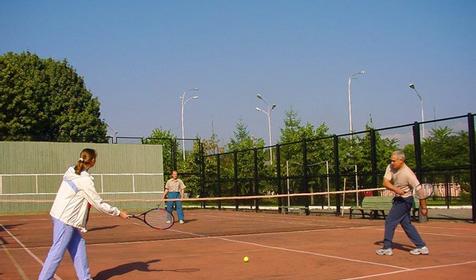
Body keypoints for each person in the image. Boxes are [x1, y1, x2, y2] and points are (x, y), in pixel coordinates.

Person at [39, 148, 129, 280]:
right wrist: (118, 212)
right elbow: (98, 203)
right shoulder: (85, 181)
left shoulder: (71, 170)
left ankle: (85, 278)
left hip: (63, 217)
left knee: (78, 245)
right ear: (92, 161)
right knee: (57, 251)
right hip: (65, 219)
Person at [376, 150, 429, 256]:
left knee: (390, 221)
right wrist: (396, 190)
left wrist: (424, 207)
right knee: (406, 224)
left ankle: (387, 247)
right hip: (398, 199)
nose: (392, 162)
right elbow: (385, 182)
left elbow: (420, 191)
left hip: (405, 200)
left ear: (401, 160)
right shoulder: (390, 167)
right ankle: (421, 246)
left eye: (394, 161)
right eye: (391, 160)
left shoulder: (408, 174)